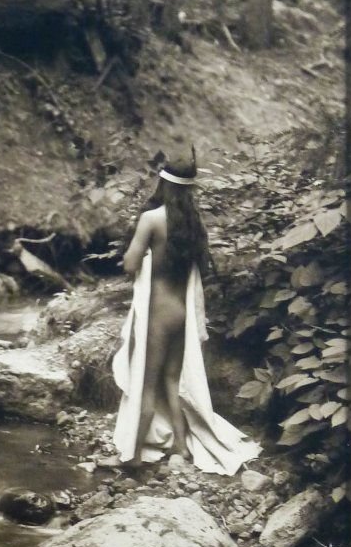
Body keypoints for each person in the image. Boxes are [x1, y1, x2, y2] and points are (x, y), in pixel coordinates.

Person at [111, 149, 261, 476]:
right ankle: (180, 446)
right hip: (181, 315)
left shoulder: (152, 219)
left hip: (156, 315)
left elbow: (130, 264)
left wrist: (143, 254)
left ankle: (133, 455)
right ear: (190, 187)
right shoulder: (193, 225)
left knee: (145, 384)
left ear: (162, 182)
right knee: (170, 381)